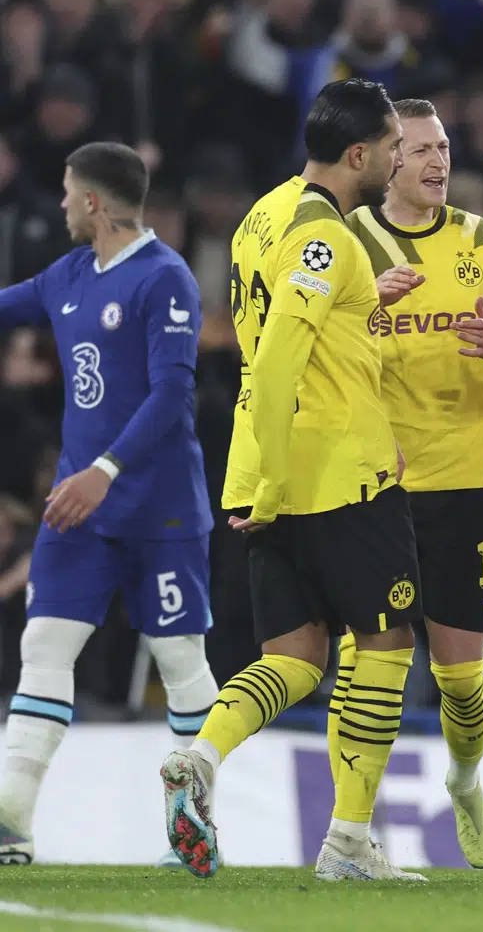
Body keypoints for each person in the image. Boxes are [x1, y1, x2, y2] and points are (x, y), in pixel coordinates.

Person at [160, 79, 425, 883]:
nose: (397, 160)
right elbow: (277, 355)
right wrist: (277, 482)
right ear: (358, 154)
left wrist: (360, 303)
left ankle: (200, 757)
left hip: (266, 464)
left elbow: (283, 316)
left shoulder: (264, 213)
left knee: (298, 654)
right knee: (385, 640)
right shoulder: (331, 239)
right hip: (333, 471)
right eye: (391, 147)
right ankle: (348, 840)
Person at [0, 143, 215, 868]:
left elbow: (171, 393)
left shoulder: (165, 277)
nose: (59, 203)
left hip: (158, 508)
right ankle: (10, 822)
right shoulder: (67, 275)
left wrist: (104, 468)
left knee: (180, 656)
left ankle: (193, 825)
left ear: (93, 201)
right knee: (44, 647)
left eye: (67, 191)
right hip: (79, 509)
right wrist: (87, 477)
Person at [344, 97, 483, 869]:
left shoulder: (481, 238)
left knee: (461, 678)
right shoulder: (352, 238)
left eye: (444, 147)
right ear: (388, 159)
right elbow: (311, 338)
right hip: (374, 478)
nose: (437, 162)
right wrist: (362, 309)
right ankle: (351, 826)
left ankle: (464, 777)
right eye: (419, 148)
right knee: (371, 660)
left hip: (462, 480)